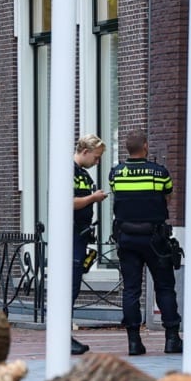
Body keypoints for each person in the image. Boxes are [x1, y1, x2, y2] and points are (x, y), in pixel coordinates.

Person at [108, 128, 180, 356]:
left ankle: (133, 342)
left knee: (131, 289)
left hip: (127, 238)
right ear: (146, 146)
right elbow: (168, 196)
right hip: (155, 239)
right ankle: (172, 339)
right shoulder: (159, 173)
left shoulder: (116, 174)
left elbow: (117, 195)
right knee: (165, 287)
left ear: (127, 149)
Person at [66, 136, 107, 356]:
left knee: (74, 285)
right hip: (70, 236)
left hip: (80, 236)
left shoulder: (82, 174)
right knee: (70, 286)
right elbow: (67, 202)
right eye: (96, 157)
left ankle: (65, 336)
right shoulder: (68, 171)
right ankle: (63, 337)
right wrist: (93, 198)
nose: (97, 162)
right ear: (85, 151)